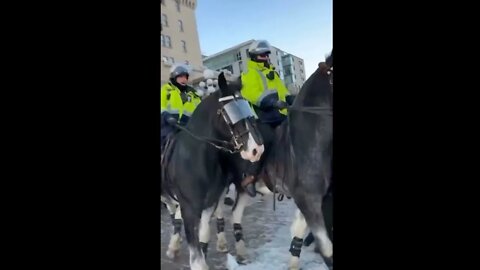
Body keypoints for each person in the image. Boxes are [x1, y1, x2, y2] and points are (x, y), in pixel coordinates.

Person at [239, 40, 295, 197]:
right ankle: (250, 176)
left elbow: (283, 91)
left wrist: (292, 99)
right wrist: (270, 101)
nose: (265, 56)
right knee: (268, 140)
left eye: (267, 54)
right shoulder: (249, 73)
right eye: (262, 54)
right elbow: (251, 94)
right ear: (255, 56)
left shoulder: (273, 73)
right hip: (262, 117)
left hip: (280, 114)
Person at [160, 64, 202, 152]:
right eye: (181, 77)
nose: (184, 79)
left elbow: (199, 112)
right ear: (174, 77)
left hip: (187, 128)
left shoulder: (194, 95)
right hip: (168, 126)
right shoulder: (166, 90)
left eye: (186, 77)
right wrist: (166, 116)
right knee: (167, 143)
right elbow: (161, 105)